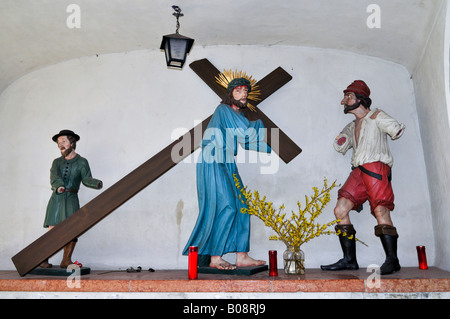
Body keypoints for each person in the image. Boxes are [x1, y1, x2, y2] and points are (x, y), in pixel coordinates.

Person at [182, 77, 271, 270]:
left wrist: (264, 140)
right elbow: (245, 131)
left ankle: (242, 256)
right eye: (239, 91)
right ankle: (215, 258)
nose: (243, 95)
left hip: (227, 161)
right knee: (227, 205)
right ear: (230, 94)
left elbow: (246, 140)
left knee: (242, 206)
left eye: (245, 92)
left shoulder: (237, 116)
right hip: (212, 160)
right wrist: (260, 125)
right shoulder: (223, 110)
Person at [321, 80, 405, 275]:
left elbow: (396, 130)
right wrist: (343, 138)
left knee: (381, 209)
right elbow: (340, 145)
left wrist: (385, 121)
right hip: (358, 170)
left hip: (376, 166)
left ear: (360, 99)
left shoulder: (376, 116)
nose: (344, 101)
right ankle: (350, 260)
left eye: (348, 97)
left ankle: (393, 260)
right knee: (340, 209)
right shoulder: (352, 126)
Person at [40, 130, 102, 268]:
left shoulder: (82, 162)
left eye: (63, 142)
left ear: (72, 143)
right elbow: (54, 177)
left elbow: (87, 179)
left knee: (72, 228)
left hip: (72, 198)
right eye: (58, 143)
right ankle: (42, 259)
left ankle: (66, 260)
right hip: (57, 199)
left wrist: (96, 183)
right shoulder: (56, 162)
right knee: (53, 229)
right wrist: (59, 186)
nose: (60, 145)